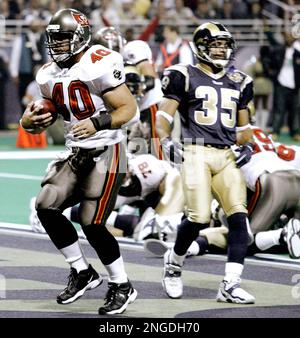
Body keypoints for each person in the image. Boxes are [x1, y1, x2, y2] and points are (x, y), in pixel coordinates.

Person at [19, 8, 139, 316]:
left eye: (63, 38)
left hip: (107, 150)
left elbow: (128, 109)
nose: (57, 45)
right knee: (45, 204)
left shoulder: (99, 61)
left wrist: (99, 123)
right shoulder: (47, 73)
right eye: (54, 39)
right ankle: (82, 271)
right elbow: (30, 124)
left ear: (81, 37)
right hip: (77, 152)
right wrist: (30, 120)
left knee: (92, 222)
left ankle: (122, 285)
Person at [155, 21, 256, 304]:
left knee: (239, 218)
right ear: (201, 48)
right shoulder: (183, 75)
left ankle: (230, 284)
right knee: (198, 217)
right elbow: (163, 117)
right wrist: (164, 141)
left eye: (225, 45)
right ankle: (174, 264)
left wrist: (247, 145)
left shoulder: (240, 81)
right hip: (196, 151)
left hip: (226, 155)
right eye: (216, 45)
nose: (222, 51)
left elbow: (244, 128)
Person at [94, 26, 164, 159]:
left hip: (148, 104)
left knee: (156, 149)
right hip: (127, 109)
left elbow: (150, 80)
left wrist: (133, 87)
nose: (110, 53)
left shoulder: (132, 49)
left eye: (113, 48)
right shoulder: (96, 64)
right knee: (127, 153)